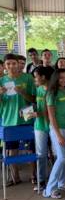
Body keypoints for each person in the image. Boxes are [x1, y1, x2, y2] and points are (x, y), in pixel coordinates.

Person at [0, 54, 36, 185]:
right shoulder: (1, 81)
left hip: (27, 118)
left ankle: (34, 175)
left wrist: (22, 92)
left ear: (18, 64)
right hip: (9, 120)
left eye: (13, 63)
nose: (11, 66)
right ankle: (15, 177)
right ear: (4, 66)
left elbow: (34, 99)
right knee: (11, 149)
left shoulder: (28, 78)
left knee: (31, 148)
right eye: (8, 64)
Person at [44, 68, 65, 199]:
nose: (63, 80)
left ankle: (62, 183)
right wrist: (58, 134)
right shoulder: (51, 93)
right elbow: (51, 116)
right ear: (55, 78)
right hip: (58, 129)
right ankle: (49, 189)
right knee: (62, 157)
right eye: (61, 77)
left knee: (62, 157)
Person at [31, 66, 53, 191]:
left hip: (53, 125)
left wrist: (42, 114)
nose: (35, 80)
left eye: (36, 77)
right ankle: (41, 181)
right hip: (39, 126)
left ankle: (57, 180)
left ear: (43, 77)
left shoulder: (53, 90)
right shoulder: (38, 89)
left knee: (56, 153)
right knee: (41, 154)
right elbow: (37, 106)